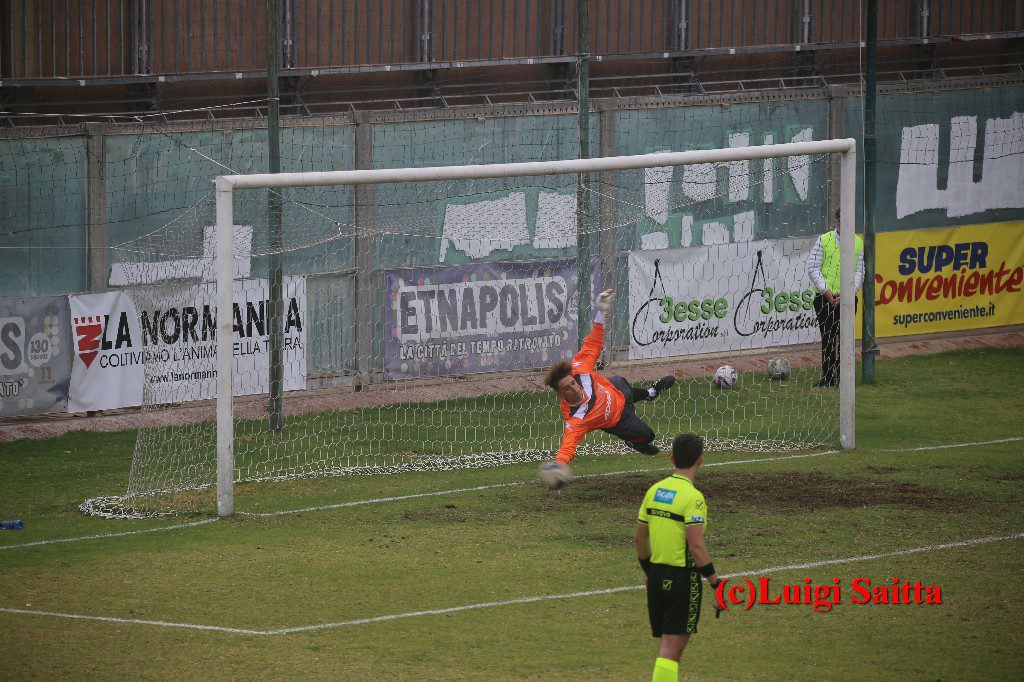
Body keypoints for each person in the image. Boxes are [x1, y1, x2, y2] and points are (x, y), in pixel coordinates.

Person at [539, 289, 676, 487]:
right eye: (567, 389)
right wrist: (559, 466)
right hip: (619, 420)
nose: (574, 388)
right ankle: (634, 442)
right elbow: (568, 446)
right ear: (560, 394)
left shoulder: (580, 369)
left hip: (615, 388)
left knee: (622, 384)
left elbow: (593, 344)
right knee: (648, 436)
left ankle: (651, 393)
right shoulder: (576, 419)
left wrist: (601, 311)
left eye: (572, 383)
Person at [635, 433, 722, 682]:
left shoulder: (654, 491)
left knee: (667, 648)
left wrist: (649, 571)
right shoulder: (693, 498)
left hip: (656, 577)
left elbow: (640, 540)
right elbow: (696, 546)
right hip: (682, 579)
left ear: (672, 458)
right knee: (671, 650)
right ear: (700, 461)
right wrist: (716, 582)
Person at [805, 208, 865, 386]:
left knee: (845, 338)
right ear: (836, 222)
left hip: (847, 299)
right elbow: (813, 268)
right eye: (840, 220)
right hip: (825, 299)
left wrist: (849, 293)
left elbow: (859, 272)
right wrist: (827, 292)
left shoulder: (858, 243)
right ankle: (828, 376)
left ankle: (843, 376)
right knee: (828, 337)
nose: (843, 224)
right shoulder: (824, 240)